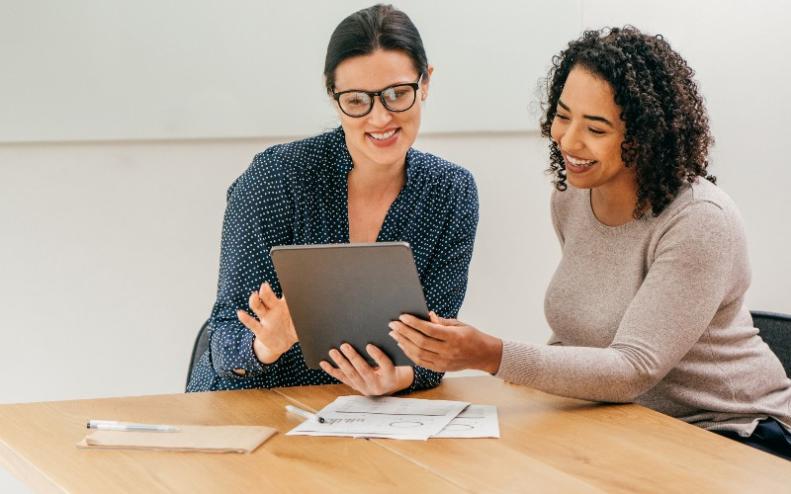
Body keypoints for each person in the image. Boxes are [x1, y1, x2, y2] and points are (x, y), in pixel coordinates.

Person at [390, 27, 791, 459]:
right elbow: (587, 334)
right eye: (563, 116)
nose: (567, 140)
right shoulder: (571, 197)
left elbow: (632, 369)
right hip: (630, 424)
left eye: (596, 128)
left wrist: (492, 355)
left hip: (736, 434)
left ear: (645, 136)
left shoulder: (698, 221)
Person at [187, 4, 478, 396]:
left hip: (365, 417)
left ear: (425, 83)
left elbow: (435, 347)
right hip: (251, 407)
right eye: (357, 100)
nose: (379, 118)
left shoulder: (451, 192)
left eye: (397, 94)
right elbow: (224, 343)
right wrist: (267, 342)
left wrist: (401, 376)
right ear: (333, 95)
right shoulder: (276, 178)